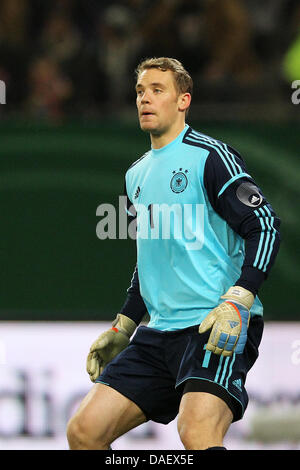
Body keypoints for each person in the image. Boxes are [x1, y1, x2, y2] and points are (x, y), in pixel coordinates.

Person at [66, 57, 280, 450]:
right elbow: (151, 256)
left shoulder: (210, 156)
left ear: (184, 101)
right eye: (139, 92)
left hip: (214, 326)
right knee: (83, 432)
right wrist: (125, 325)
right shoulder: (136, 174)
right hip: (158, 333)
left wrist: (239, 300)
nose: (145, 99)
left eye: (157, 90)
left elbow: (264, 225)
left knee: (197, 433)